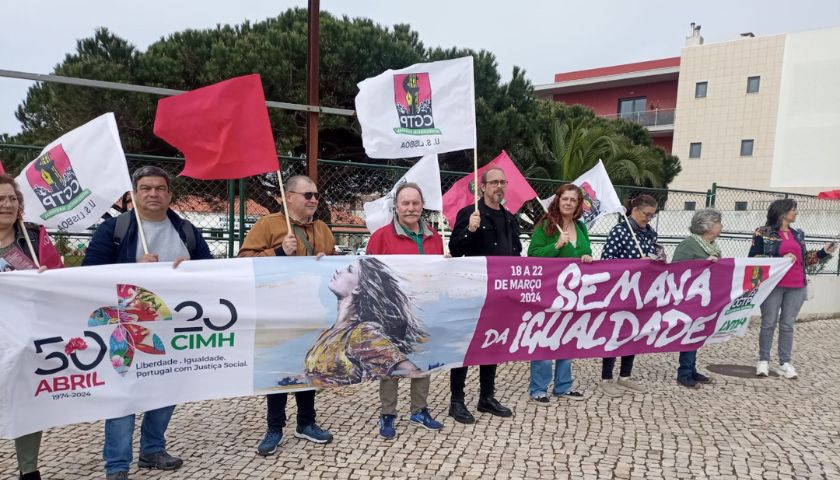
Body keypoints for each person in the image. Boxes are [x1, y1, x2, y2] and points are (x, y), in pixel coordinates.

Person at [82, 166, 212, 480]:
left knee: (165, 391)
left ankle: (152, 449)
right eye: (146, 188)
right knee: (123, 396)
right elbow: (88, 274)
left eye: (159, 188)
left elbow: (210, 271)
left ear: (169, 194)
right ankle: (117, 466)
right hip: (124, 328)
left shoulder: (186, 230)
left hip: (170, 327)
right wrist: (132, 268)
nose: (153, 193)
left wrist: (192, 271)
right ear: (134, 194)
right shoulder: (114, 230)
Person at [237, 174, 334, 455]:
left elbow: (334, 262)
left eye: (316, 195)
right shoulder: (269, 225)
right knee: (277, 371)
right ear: (288, 196)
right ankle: (274, 428)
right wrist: (278, 251)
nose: (314, 199)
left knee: (308, 368)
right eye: (308, 195)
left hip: (311, 312)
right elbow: (243, 260)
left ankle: (306, 423)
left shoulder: (323, 229)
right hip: (277, 313)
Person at [361, 183, 444, 439]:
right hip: (391, 314)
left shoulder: (435, 238)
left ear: (422, 206)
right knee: (390, 364)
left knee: (424, 360)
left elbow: (438, 275)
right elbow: (368, 275)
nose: (411, 208)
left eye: (415, 203)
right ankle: (388, 414)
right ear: (396, 206)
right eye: (405, 203)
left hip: (424, 311)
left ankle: (419, 410)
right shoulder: (381, 237)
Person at [1, 173, 63, 480]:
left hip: (25, 338)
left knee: (26, 402)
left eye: (12, 198)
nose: (7, 204)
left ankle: (28, 469)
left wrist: (45, 276)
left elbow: (60, 279)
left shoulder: (33, 237)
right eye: (0, 199)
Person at [448, 167, 519, 424]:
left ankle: (486, 397)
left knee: (492, 343)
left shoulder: (511, 218)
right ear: (483, 187)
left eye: (502, 182)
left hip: (500, 294)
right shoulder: (469, 213)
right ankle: (457, 401)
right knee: (466, 346)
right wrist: (470, 229)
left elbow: (516, 253)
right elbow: (455, 250)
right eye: (494, 182)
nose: (499, 186)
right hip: (472, 292)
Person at [748, 198, 835, 379]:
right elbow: (754, 258)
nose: (796, 212)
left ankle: (784, 363)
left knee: (788, 325)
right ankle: (763, 361)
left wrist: (823, 252)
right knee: (768, 323)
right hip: (773, 285)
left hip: (797, 285)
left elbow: (804, 260)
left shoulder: (798, 234)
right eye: (793, 209)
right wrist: (780, 256)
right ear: (782, 212)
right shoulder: (762, 232)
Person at [526, 184, 591, 405]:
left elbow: (586, 251)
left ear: (578, 204)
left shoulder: (581, 227)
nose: (569, 203)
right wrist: (556, 245)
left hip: (573, 293)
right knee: (545, 338)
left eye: (573, 200)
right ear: (558, 200)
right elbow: (533, 255)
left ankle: (563, 386)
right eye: (565, 199)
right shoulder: (546, 225)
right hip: (548, 293)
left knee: (568, 338)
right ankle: (539, 388)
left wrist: (587, 257)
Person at [599, 194, 665, 398]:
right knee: (615, 333)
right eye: (647, 214)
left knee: (634, 332)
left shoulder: (650, 233)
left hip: (642, 292)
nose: (649, 218)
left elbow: (656, 256)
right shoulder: (620, 231)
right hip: (621, 291)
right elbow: (607, 260)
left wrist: (657, 260)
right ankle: (606, 377)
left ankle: (625, 376)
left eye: (652, 215)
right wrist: (636, 263)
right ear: (635, 210)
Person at [672, 209, 723, 388]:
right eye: (718, 222)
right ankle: (684, 373)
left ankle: (691, 369)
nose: (721, 226)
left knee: (697, 332)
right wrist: (702, 264)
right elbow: (678, 269)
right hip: (690, 298)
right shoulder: (689, 245)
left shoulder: (712, 246)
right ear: (707, 226)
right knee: (690, 333)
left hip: (705, 298)